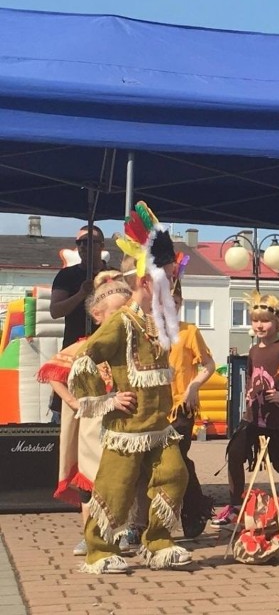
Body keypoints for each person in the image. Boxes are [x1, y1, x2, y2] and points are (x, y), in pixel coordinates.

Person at [69, 201, 189, 574]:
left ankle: (158, 542)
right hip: (127, 428)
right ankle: (98, 549)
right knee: (116, 487)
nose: (172, 286)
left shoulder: (157, 322)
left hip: (158, 427)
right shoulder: (121, 322)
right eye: (167, 279)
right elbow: (86, 357)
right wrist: (105, 399)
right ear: (145, 282)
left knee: (174, 475)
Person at [37, 270, 132, 556]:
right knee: (89, 480)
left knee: (121, 480)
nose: (121, 319)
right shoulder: (85, 347)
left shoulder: (131, 349)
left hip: (122, 426)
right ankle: (89, 533)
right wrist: (72, 401)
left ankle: (119, 530)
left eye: (125, 313)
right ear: (97, 315)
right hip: (92, 427)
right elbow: (52, 372)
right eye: (115, 313)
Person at [212, 292, 279, 529]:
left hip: (277, 419)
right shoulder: (252, 351)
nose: (259, 325)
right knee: (236, 453)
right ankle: (235, 504)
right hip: (252, 417)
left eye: (265, 320)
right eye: (255, 320)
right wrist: (250, 393)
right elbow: (251, 377)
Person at [167, 278, 217, 537]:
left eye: (174, 302)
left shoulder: (188, 331)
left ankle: (192, 508)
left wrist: (194, 386)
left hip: (181, 407)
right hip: (153, 408)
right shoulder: (146, 331)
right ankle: (194, 505)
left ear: (180, 303)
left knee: (176, 458)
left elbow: (209, 365)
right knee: (173, 462)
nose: (169, 307)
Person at [49, 225, 109, 421]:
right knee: (68, 413)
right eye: (79, 243)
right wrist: (81, 294)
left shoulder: (112, 276)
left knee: (104, 409)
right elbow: (55, 311)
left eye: (89, 242)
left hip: (105, 354)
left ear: (101, 246)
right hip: (73, 352)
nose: (83, 247)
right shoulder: (67, 276)